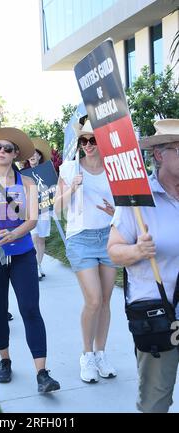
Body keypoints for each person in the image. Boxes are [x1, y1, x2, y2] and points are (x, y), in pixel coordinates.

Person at [0, 127, 60, 392]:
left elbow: (31, 218)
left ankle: (42, 373)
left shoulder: (27, 183)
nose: (2, 152)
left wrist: (15, 234)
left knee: (30, 309)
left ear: (16, 154)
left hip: (22, 254)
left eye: (8, 149)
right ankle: (4, 361)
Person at [107, 119, 179, 413]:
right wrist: (137, 250)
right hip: (160, 316)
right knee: (155, 400)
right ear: (160, 155)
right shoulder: (137, 198)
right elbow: (113, 251)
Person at [54, 119, 117, 383]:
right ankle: (86, 355)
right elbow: (57, 209)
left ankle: (101, 354)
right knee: (93, 299)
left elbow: (126, 206)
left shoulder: (114, 169)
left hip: (110, 237)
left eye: (93, 140)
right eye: (84, 141)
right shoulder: (69, 169)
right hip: (81, 239)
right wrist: (72, 188)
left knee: (105, 301)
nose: (88, 145)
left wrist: (115, 213)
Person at [26, 137, 52, 280]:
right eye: (30, 153)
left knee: (41, 239)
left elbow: (53, 189)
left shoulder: (47, 171)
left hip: (44, 208)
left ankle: (39, 265)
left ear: (39, 155)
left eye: (35, 153)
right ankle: (34, 267)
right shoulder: (23, 173)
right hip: (30, 210)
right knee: (34, 237)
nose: (33, 155)